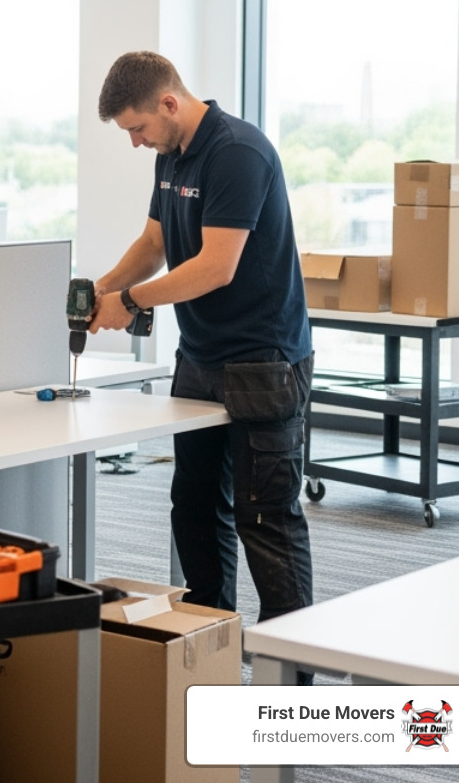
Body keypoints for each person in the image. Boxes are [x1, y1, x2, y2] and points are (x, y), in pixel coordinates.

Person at [88, 51, 314, 634]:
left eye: (137, 128)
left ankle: (290, 675)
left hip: (262, 362)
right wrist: (105, 287)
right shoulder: (172, 155)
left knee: (264, 519)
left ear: (169, 103)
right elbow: (155, 241)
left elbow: (217, 266)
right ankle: (209, 645)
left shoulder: (237, 151)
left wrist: (134, 303)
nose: (136, 142)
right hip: (199, 357)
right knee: (193, 511)